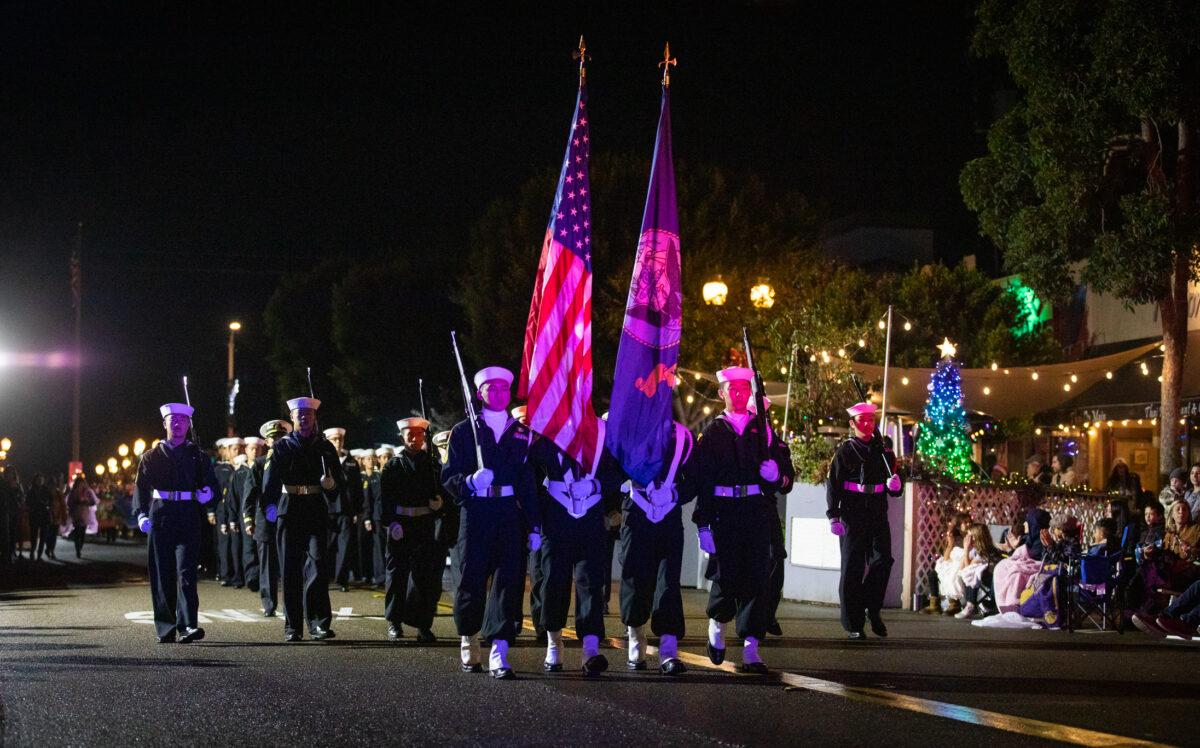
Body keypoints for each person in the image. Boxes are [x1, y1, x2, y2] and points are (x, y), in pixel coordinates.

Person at [691, 366, 794, 672]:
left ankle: (751, 646)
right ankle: (718, 627)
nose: (739, 394)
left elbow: (785, 471)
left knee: (757, 578)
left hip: (755, 509)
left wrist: (777, 474)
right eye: (732, 390)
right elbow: (703, 481)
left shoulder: (762, 430)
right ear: (722, 394)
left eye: (743, 389)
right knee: (727, 575)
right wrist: (703, 523)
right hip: (725, 512)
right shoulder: (713, 433)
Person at [441, 366, 539, 679]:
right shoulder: (463, 430)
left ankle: (500, 649)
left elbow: (528, 481)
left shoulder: (522, 433)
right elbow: (448, 477)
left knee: (508, 580)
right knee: (472, 575)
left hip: (509, 511)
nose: (497, 394)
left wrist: (535, 524)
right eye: (491, 389)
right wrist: (469, 481)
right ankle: (469, 636)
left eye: (502, 389)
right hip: (477, 510)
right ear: (480, 393)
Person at [529, 421, 619, 676]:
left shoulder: (602, 432)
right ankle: (554, 643)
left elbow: (617, 472)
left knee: (590, 583)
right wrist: (535, 520)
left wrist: (596, 485)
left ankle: (590, 649)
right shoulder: (549, 432)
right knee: (554, 581)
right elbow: (531, 471)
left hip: (590, 516)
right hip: (556, 516)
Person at [261, 395, 346, 642]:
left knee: (318, 565)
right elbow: (270, 482)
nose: (304, 418)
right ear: (292, 418)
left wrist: (330, 487)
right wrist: (269, 506)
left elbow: (338, 483)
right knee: (290, 569)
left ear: (314, 417)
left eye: (308, 414)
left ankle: (319, 622)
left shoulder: (324, 447)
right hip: (289, 509)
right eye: (299, 415)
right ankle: (293, 626)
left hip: (315, 509)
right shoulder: (282, 446)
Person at [133, 402, 220, 643]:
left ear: (189, 424)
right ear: (165, 424)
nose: (178, 424)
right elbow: (140, 488)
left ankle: (188, 625)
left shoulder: (198, 456)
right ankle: (165, 626)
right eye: (173, 420)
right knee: (163, 572)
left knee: (186, 573)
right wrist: (141, 514)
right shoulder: (151, 456)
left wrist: (208, 494)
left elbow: (213, 485)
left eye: (182, 420)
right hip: (161, 516)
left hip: (189, 515)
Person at [616, 421, 694, 676]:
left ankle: (668, 649)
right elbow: (611, 470)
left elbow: (695, 478)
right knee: (635, 579)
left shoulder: (683, 436)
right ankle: (636, 636)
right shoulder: (628, 430)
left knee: (668, 582)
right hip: (636, 513)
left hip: (668, 516)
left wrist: (674, 495)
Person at [825, 400, 904, 642]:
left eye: (871, 420)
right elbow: (834, 484)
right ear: (853, 424)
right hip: (853, 511)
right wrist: (833, 515)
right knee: (853, 567)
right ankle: (854, 623)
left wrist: (896, 486)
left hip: (877, 510)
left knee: (883, 559)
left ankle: (871, 606)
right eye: (863, 421)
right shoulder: (846, 451)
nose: (868, 424)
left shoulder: (884, 452)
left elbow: (894, 483)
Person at [378, 417, 445, 642]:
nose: (414, 439)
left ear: (423, 436)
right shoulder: (393, 465)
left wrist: (439, 503)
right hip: (401, 525)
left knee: (424, 577)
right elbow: (384, 499)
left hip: (424, 525)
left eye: (418, 434)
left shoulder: (433, 465)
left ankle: (423, 624)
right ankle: (394, 621)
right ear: (402, 438)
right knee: (397, 575)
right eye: (409, 435)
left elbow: (444, 493)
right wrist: (391, 522)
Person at [244, 420, 290, 617]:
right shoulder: (260, 464)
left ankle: (292, 604)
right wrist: (248, 519)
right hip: (265, 519)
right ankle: (269, 603)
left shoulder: (291, 461)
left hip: (287, 516)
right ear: (267, 441)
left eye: (280, 437)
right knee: (268, 565)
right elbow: (250, 493)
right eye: (273, 438)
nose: (277, 441)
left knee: (288, 562)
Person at [323, 427, 363, 593]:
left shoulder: (351, 462)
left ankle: (342, 579)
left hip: (346, 509)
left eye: (340, 439)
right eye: (334, 439)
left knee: (345, 546)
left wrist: (358, 510)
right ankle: (325, 577)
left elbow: (358, 488)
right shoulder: (323, 459)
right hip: (327, 509)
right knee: (326, 546)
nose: (338, 442)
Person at [992, 508, 1051, 613]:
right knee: (1001, 568)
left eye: (1027, 521)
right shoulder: (1028, 538)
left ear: (1034, 523)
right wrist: (1012, 549)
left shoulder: (1042, 540)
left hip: (1034, 569)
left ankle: (1013, 605)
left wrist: (1012, 550)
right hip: (1026, 567)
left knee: (1014, 574)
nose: (1024, 524)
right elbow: (1020, 556)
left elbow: (1035, 559)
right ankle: (1000, 604)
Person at [235, 437, 266, 594]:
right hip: (246, 513)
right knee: (248, 547)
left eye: (258, 449)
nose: (255, 451)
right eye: (252, 448)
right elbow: (235, 496)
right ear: (246, 450)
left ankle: (262, 578)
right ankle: (252, 578)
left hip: (262, 513)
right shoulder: (240, 471)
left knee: (262, 546)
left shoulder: (264, 466)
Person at [214, 437, 244, 588]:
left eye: (239, 448)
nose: (237, 451)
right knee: (224, 544)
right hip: (223, 510)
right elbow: (215, 492)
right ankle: (225, 574)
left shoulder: (241, 468)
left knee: (237, 544)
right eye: (234, 449)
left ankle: (238, 575)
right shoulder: (221, 470)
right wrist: (211, 511)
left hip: (238, 510)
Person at [956, 522, 1003, 619]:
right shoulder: (975, 550)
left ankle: (970, 604)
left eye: (971, 536)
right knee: (971, 571)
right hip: (986, 577)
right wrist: (967, 551)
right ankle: (970, 604)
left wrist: (966, 550)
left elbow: (968, 568)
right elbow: (962, 569)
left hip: (994, 580)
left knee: (973, 571)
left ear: (978, 537)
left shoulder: (985, 552)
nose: (969, 539)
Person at [66, 475, 97, 559]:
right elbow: (69, 503)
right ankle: (77, 550)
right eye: (80, 483)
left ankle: (80, 547)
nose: (82, 485)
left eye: (83, 483)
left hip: (85, 514)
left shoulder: (87, 492)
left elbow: (94, 502)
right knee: (77, 532)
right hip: (76, 514)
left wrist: (87, 501)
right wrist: (77, 503)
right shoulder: (73, 492)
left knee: (82, 533)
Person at [25, 474, 54, 562]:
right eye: (38, 479)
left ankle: (39, 554)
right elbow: (28, 502)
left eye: (41, 479)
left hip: (44, 515)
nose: (40, 481)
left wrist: (48, 506)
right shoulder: (31, 491)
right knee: (33, 536)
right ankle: (32, 552)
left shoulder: (46, 490)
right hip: (34, 515)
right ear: (35, 480)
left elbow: (51, 501)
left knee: (43, 536)